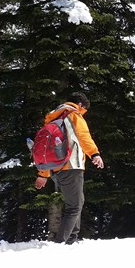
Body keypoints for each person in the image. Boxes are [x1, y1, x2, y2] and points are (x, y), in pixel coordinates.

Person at [34, 92, 104, 245]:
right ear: (79, 105)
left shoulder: (54, 118)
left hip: (57, 168)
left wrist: (43, 174)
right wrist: (95, 154)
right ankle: (61, 243)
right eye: (84, 108)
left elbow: (46, 150)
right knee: (75, 206)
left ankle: (72, 239)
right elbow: (84, 136)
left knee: (76, 202)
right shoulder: (74, 115)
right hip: (72, 165)